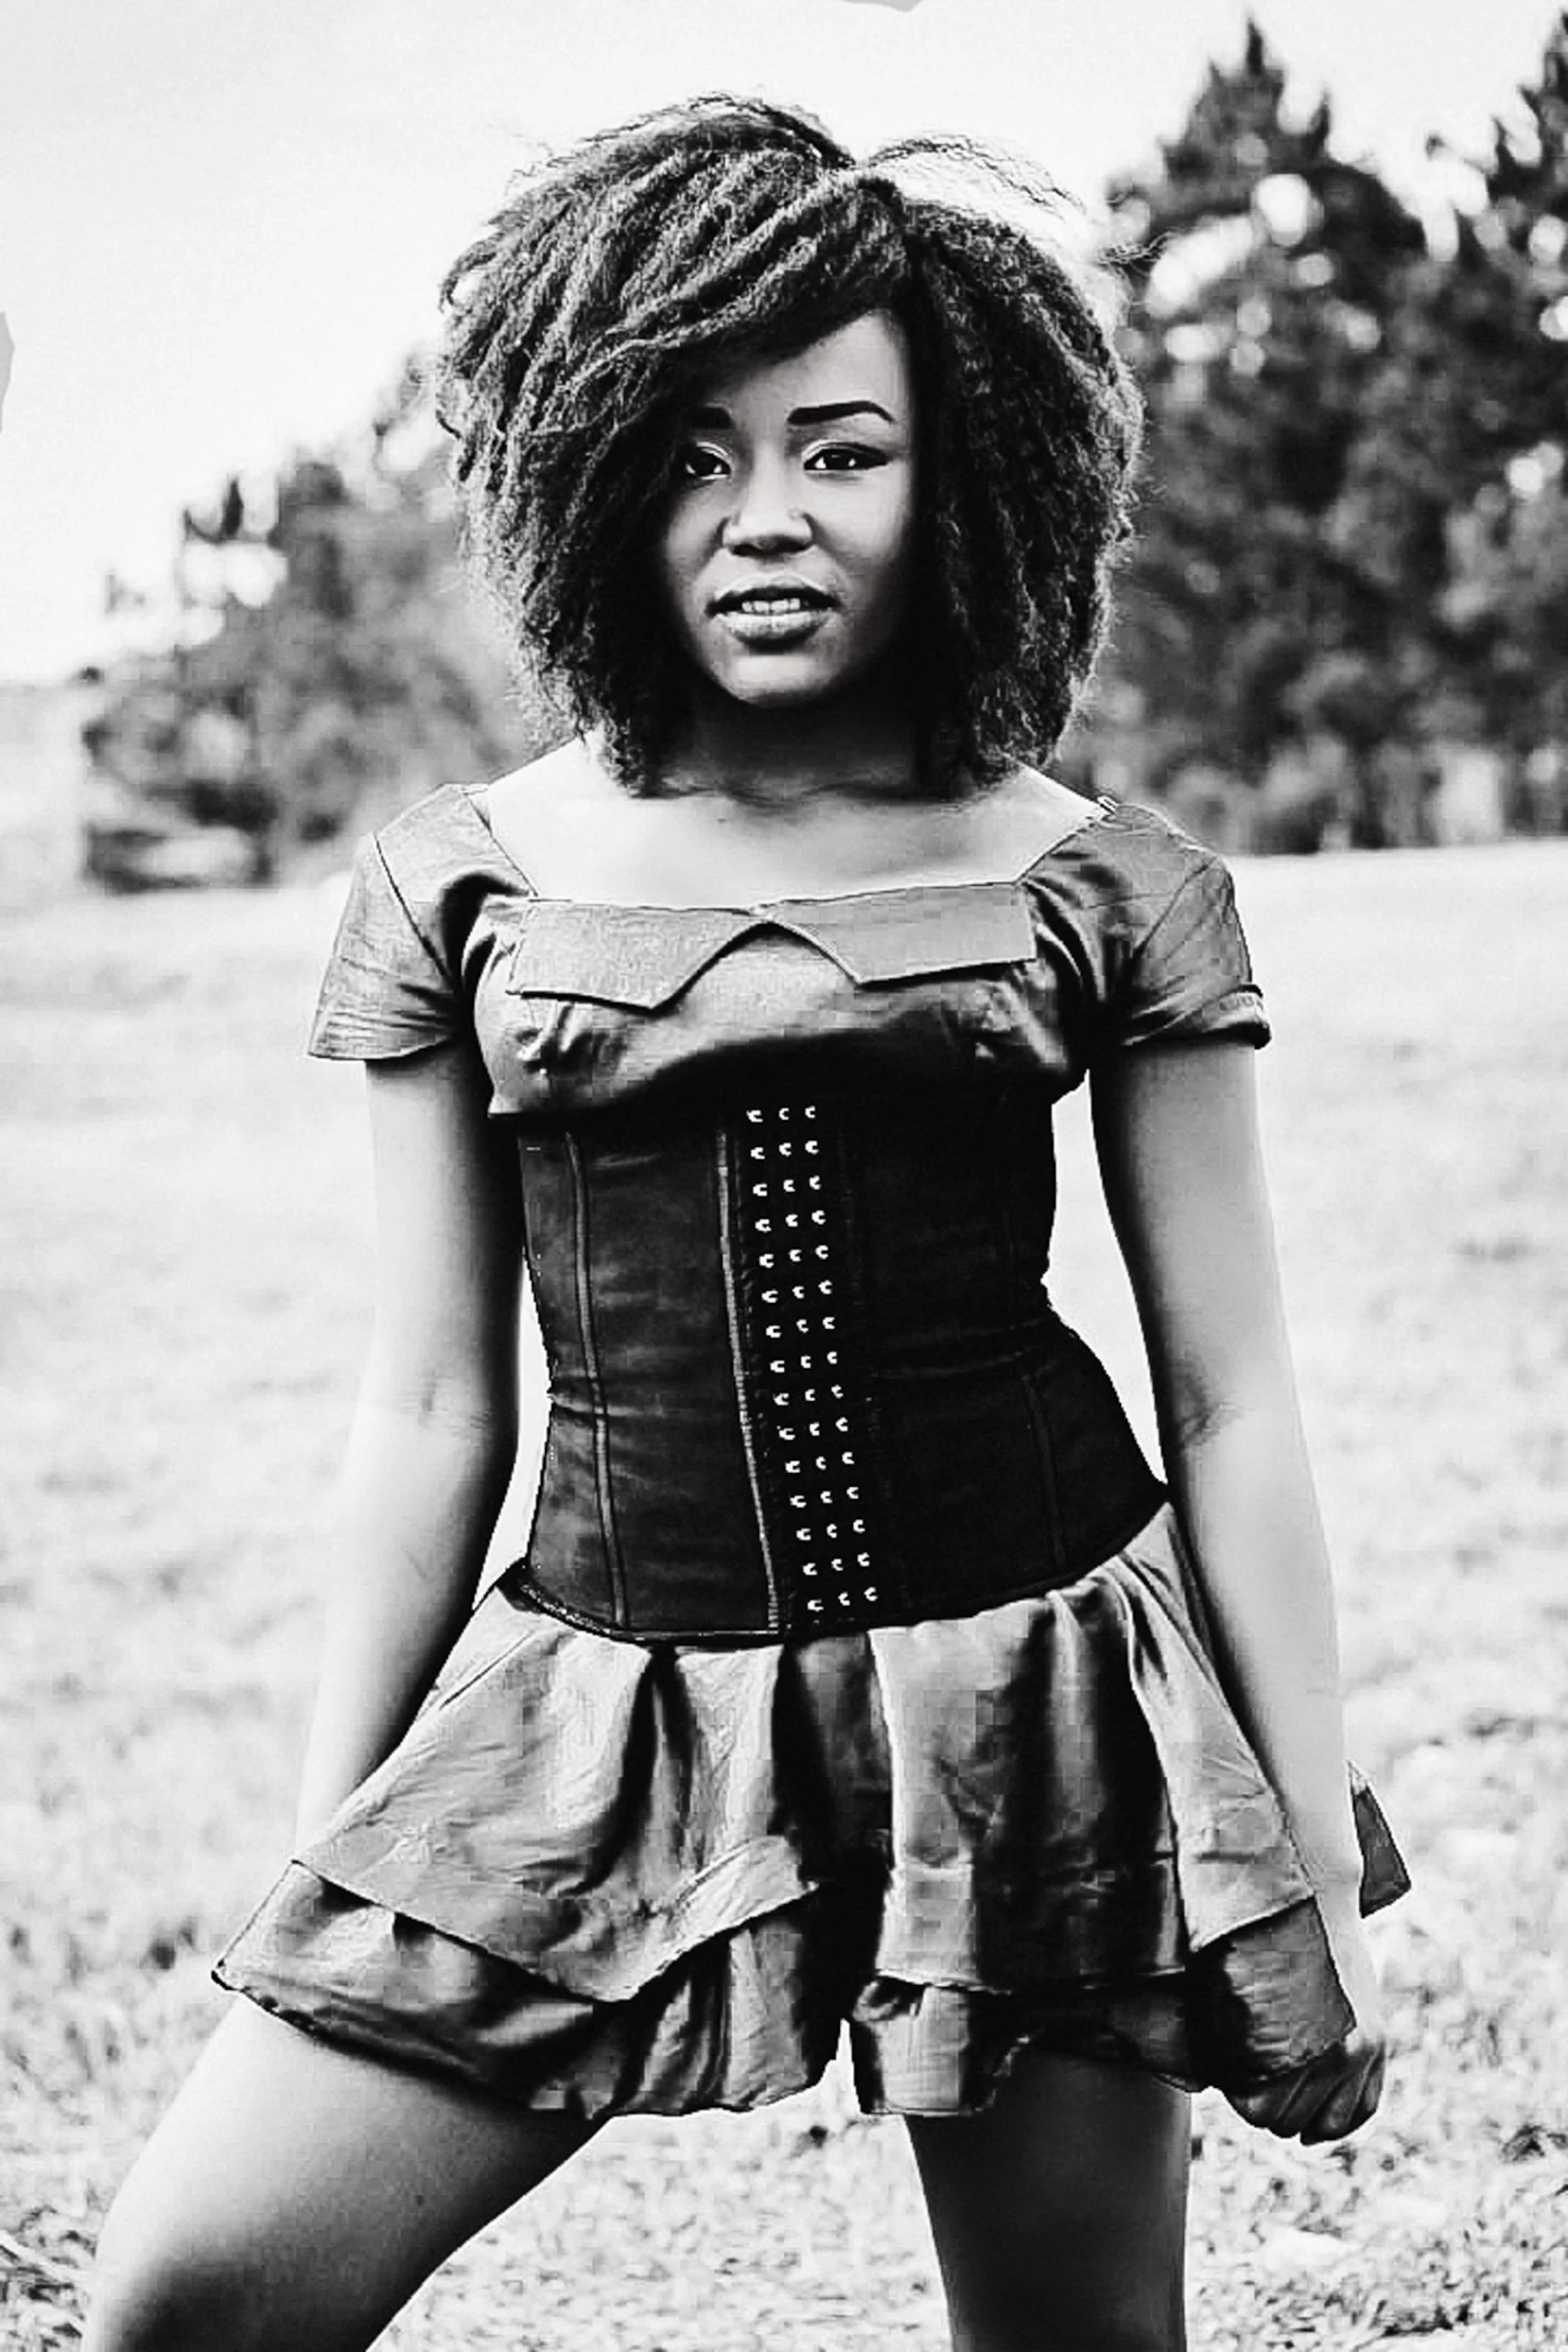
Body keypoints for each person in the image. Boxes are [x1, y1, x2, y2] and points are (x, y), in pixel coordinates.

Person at [85, 96, 1408, 2352]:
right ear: (596, 479)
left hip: (1041, 1704)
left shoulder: (1109, 882)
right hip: (600, 1695)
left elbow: (1233, 1397)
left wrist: (1299, 1857)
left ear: (960, 481)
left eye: (841, 450)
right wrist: (339, 1860)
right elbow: (431, 1405)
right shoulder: (466, 881)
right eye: (692, 454)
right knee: (191, 2299)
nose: (765, 516)